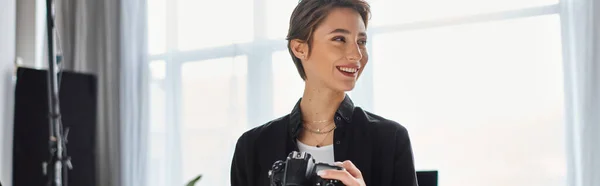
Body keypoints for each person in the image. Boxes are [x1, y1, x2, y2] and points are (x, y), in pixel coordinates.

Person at [230, 0, 418, 185]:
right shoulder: (253, 147)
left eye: (361, 41)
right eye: (339, 39)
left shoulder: (390, 139)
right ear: (300, 48)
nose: (357, 55)